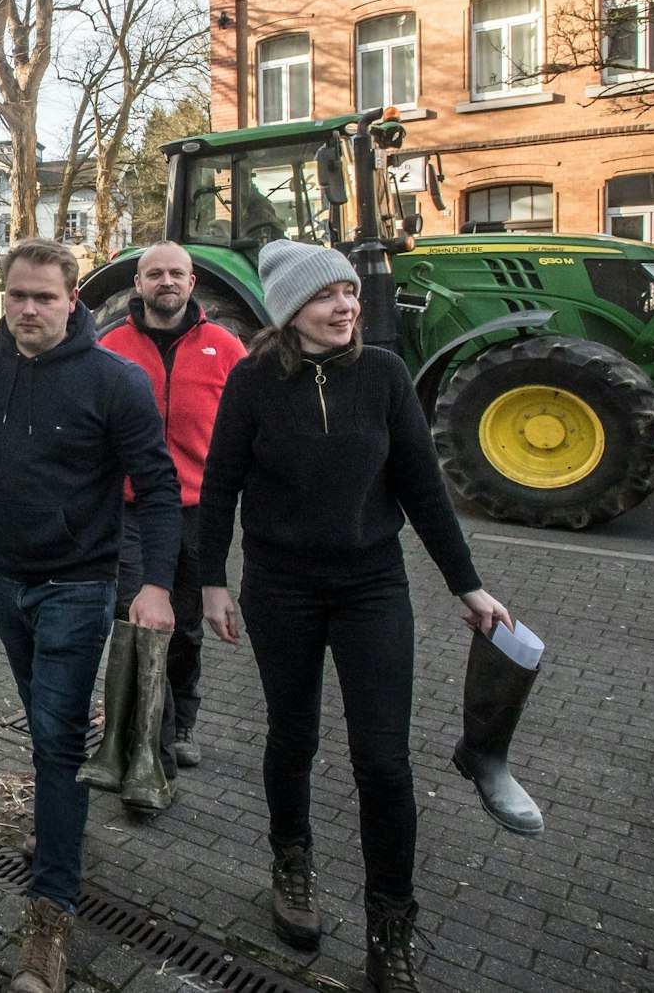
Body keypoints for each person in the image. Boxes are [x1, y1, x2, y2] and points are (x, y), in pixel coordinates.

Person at [196, 240, 512, 993]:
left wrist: (466, 585)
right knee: (293, 736)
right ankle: (291, 864)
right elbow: (219, 487)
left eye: (348, 293)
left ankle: (390, 926)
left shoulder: (384, 375)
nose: (346, 307)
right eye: (326, 296)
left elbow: (422, 487)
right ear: (289, 311)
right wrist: (211, 581)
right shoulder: (250, 383)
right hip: (281, 586)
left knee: (383, 760)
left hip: (373, 584)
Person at [0, 237, 182, 993]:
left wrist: (157, 583)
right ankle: (67, 782)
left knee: (54, 743)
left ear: (72, 301)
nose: (29, 309)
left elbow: (156, 486)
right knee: (45, 723)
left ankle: (49, 914)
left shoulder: (114, 381)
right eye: (18, 296)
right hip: (1, 576)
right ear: (5, 297)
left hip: (78, 584)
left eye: (45, 297)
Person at [94, 241, 245, 785]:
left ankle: (179, 725)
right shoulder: (108, 344)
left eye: (176, 273)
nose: (166, 282)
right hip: (131, 509)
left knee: (184, 630)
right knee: (137, 621)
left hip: (199, 511)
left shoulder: (225, 348)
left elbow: (248, 428)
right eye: (154, 273)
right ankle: (141, 746)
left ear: (191, 283)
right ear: (137, 283)